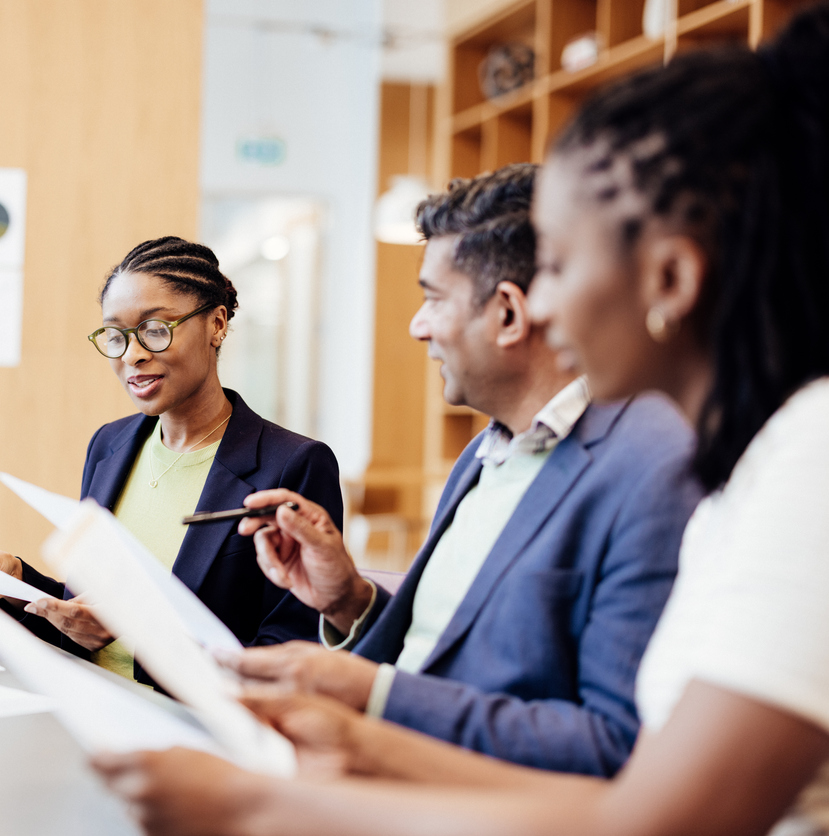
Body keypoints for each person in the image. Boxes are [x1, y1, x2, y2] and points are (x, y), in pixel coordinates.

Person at [93, 5, 829, 835]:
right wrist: (347, 710)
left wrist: (271, 801)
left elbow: (652, 813)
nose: (542, 305)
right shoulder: (742, 463)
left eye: (558, 265)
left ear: (669, 279)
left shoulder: (795, 463)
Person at [212, 164, 700, 776]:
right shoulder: (482, 454)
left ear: (507, 315)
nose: (417, 327)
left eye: (432, 299)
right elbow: (443, 651)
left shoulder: (652, 466)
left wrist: (369, 694)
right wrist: (348, 601)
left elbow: (611, 747)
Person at [0, 236, 344, 686]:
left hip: (203, 732)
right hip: (95, 710)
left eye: (155, 329)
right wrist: (15, 585)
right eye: (116, 336)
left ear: (216, 324)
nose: (132, 354)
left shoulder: (293, 464)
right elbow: (88, 623)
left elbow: (292, 650)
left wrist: (140, 632)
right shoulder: (109, 445)